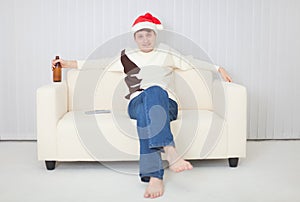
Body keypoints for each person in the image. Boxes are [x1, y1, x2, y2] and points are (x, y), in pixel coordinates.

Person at [52, 12, 232, 199]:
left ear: (155, 35)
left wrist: (218, 68)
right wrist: (67, 63)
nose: (145, 40)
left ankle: (154, 175)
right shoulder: (127, 56)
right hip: (136, 103)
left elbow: (191, 62)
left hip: (167, 104)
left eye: (149, 34)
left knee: (154, 94)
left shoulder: (167, 53)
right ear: (135, 38)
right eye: (141, 36)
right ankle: (169, 150)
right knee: (148, 97)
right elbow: (99, 64)